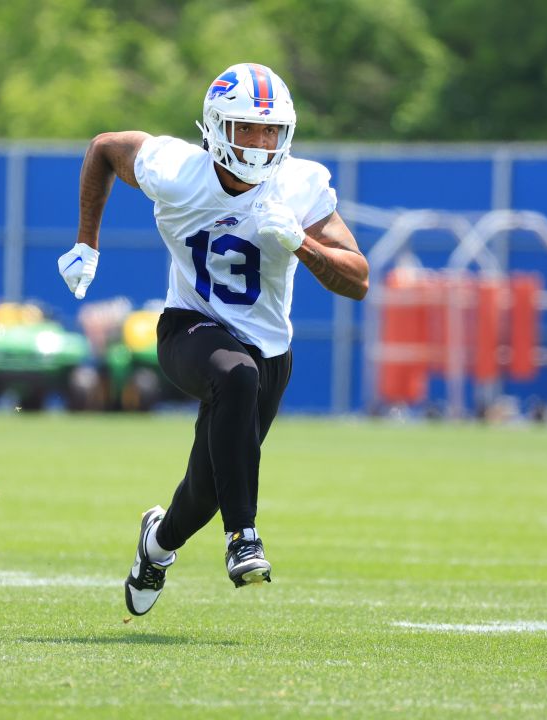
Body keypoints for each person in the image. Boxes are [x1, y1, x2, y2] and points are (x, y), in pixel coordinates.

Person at [57, 63, 369, 616]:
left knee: (203, 489)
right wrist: (87, 243)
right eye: (246, 128)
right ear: (217, 127)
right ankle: (243, 537)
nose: (259, 141)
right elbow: (105, 147)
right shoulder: (177, 170)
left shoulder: (300, 185)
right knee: (234, 375)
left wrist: (302, 244)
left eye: (270, 131)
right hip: (189, 326)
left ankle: (157, 543)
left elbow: (358, 279)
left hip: (269, 349)